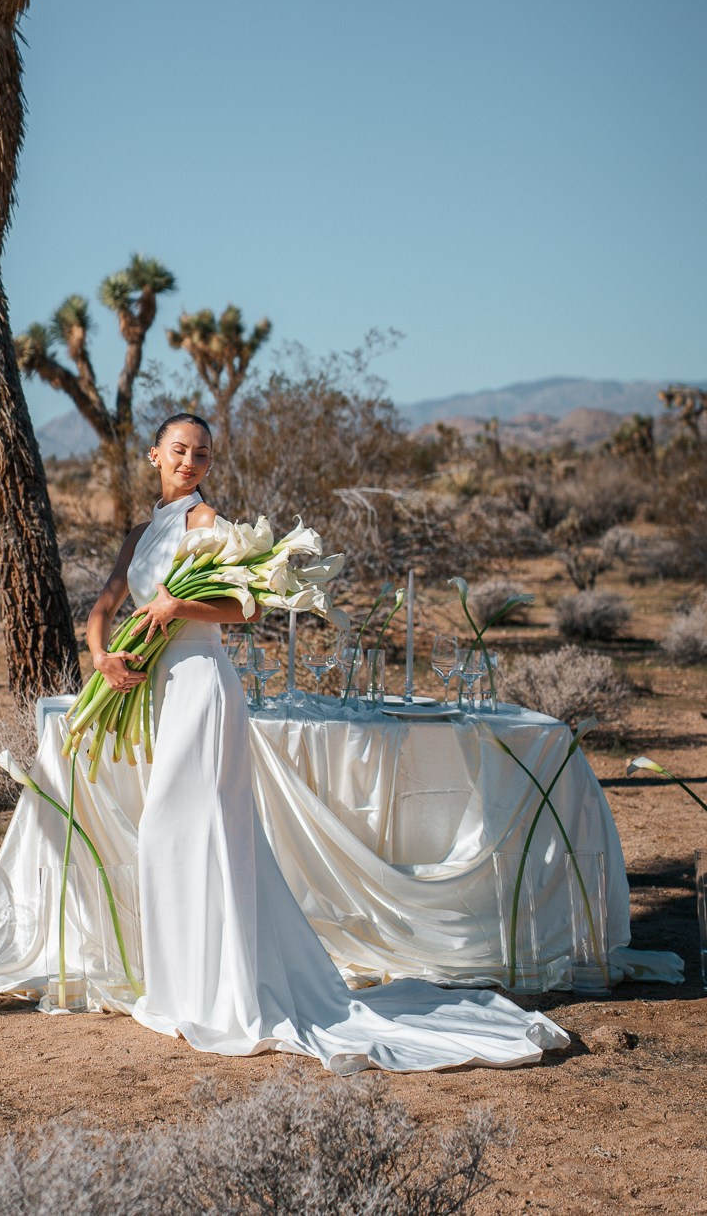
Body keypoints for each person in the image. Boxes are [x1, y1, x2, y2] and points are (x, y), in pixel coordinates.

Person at [84, 411, 570, 1073]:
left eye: (200, 454)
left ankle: (222, 990)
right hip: (157, 684)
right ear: (153, 455)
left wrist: (179, 608)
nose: (188, 462)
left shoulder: (209, 524)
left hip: (202, 685)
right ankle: (181, 985)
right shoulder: (142, 532)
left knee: (196, 827)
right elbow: (105, 604)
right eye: (178, 451)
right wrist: (99, 656)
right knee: (172, 831)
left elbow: (248, 607)